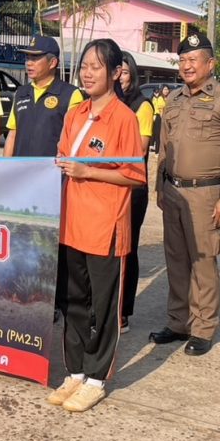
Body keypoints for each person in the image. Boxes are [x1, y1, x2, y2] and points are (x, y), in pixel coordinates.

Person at [47, 38, 146, 413]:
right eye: (84, 66)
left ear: (116, 72)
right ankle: (74, 371)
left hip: (105, 228)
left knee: (103, 308)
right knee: (72, 302)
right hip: (72, 224)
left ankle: (96, 378)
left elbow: (135, 175)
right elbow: (62, 157)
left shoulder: (124, 118)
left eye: (96, 67)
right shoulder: (75, 113)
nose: (87, 73)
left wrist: (89, 172)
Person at [149, 31, 220, 356]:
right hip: (173, 190)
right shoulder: (174, 99)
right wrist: (159, 186)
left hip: (206, 194)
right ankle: (178, 322)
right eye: (182, 60)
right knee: (176, 259)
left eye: (193, 60)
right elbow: (164, 147)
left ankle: (203, 328)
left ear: (211, 63)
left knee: (203, 260)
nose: (187, 66)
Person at [117, 55, 154, 333]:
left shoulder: (142, 106)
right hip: (107, 186)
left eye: (125, 72)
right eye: (117, 71)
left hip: (132, 188)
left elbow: (138, 151)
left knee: (127, 249)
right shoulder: (106, 102)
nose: (120, 77)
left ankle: (123, 311)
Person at [3, 35, 83, 158]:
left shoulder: (71, 94)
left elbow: (76, 139)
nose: (29, 63)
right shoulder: (21, 93)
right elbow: (12, 134)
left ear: (52, 63)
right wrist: (5, 165)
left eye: (35, 58)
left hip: (51, 168)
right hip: (20, 167)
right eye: (27, 58)